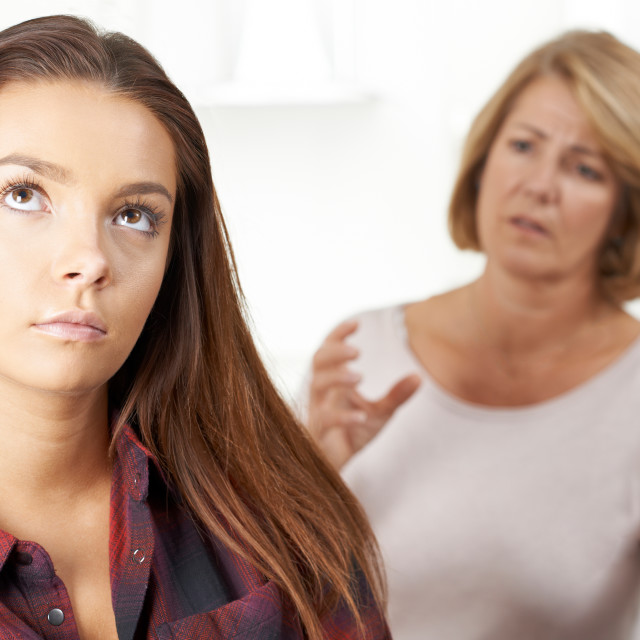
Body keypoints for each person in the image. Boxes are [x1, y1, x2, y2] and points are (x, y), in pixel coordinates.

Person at [0, 15, 389, 640]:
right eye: (23, 194)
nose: (89, 259)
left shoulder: (280, 532)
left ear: (174, 257)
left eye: (133, 215)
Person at [305, 29, 640, 639]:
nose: (539, 185)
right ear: (484, 162)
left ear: (625, 212)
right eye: (523, 145)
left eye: (585, 168)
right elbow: (264, 601)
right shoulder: (360, 353)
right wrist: (310, 471)